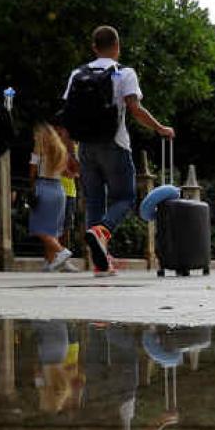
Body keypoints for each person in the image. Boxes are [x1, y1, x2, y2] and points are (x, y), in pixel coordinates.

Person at [62, 26, 174, 277]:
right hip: (115, 144)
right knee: (125, 198)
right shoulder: (124, 73)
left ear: (94, 47)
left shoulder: (77, 74)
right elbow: (134, 108)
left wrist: (70, 153)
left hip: (86, 147)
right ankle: (103, 231)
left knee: (93, 201)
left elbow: (67, 117)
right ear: (117, 46)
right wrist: (160, 128)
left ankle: (101, 262)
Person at [28, 123, 74, 272]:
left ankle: (61, 251)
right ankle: (50, 262)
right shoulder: (61, 151)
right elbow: (66, 172)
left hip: (44, 187)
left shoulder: (38, 152)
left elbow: (32, 173)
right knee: (53, 229)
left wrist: (32, 187)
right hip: (59, 190)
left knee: (38, 227)